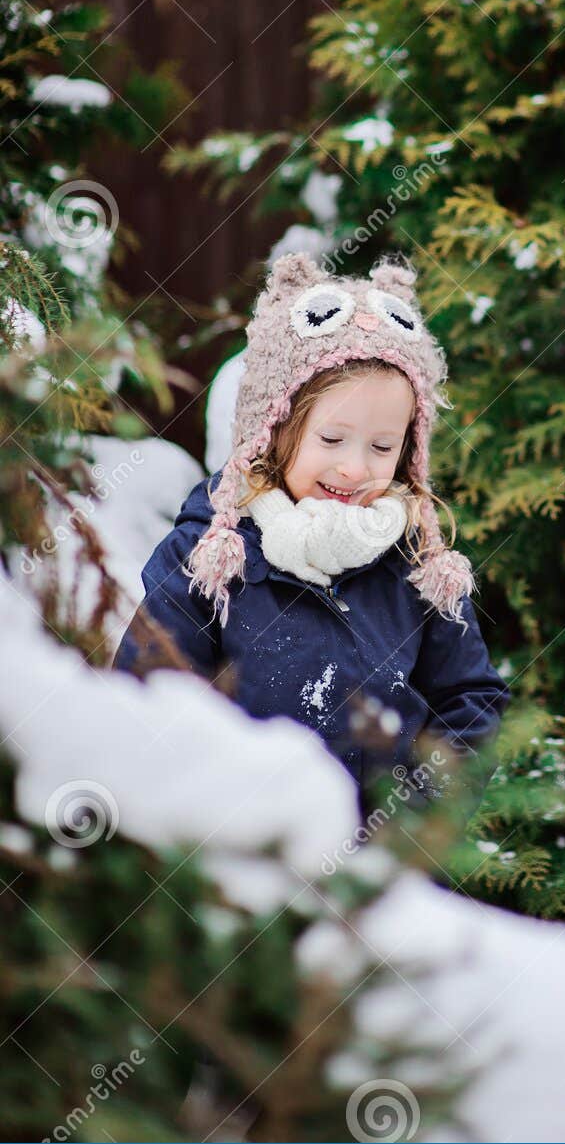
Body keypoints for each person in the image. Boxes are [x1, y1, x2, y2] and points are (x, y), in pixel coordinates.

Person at [112, 250, 510, 824]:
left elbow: (470, 703)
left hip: (376, 871)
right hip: (239, 854)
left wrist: (416, 827)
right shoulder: (212, 554)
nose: (354, 468)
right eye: (332, 439)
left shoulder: (417, 566)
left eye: (381, 447)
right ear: (272, 431)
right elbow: (151, 693)